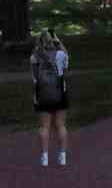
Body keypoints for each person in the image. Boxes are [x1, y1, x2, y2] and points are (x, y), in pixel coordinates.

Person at [31, 29, 70, 167]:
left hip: (42, 94)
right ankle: (62, 157)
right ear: (52, 40)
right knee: (60, 125)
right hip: (60, 93)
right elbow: (66, 62)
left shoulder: (35, 56)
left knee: (44, 126)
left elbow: (35, 78)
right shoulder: (60, 54)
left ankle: (44, 158)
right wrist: (58, 41)